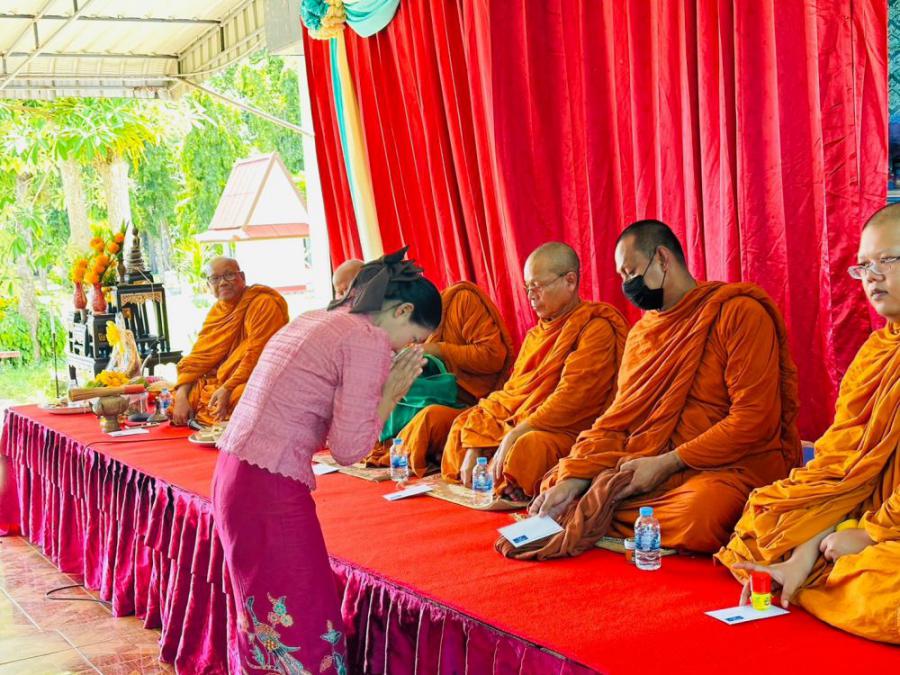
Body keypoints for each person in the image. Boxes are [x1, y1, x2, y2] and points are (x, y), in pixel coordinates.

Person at [213, 247, 441, 672]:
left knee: (268, 613)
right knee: (303, 612)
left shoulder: (316, 317)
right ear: (402, 310)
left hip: (234, 473)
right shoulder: (367, 338)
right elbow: (348, 449)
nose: (406, 349)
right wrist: (391, 391)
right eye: (413, 339)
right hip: (268, 489)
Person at [532, 220, 800, 553]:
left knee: (701, 513)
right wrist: (574, 478)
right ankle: (605, 510)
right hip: (648, 464)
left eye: (631, 272)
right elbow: (618, 421)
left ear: (661, 258)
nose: (627, 286)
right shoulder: (641, 336)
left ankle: (607, 516)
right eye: (622, 277)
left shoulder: (738, 313)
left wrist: (668, 462)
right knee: (559, 484)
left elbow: (754, 418)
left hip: (727, 466)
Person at [716, 205, 900, 645]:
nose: (872, 277)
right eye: (863, 266)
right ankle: (808, 572)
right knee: (762, 525)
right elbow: (840, 472)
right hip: (866, 516)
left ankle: (833, 570)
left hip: (885, 528)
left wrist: (870, 534)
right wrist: (800, 558)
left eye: (887, 260)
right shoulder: (875, 355)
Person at [441, 242, 629, 501]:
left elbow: (572, 400)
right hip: (524, 422)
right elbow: (511, 394)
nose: (531, 296)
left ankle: (509, 478)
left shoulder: (595, 328)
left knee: (528, 448)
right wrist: (477, 439)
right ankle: (501, 475)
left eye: (538, 287)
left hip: (566, 430)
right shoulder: (534, 336)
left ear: (570, 281)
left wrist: (516, 433)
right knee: (464, 426)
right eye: (527, 288)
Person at [365, 280, 515, 476]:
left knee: (428, 418)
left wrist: (438, 350)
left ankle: (405, 454)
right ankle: (406, 450)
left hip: (468, 401)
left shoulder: (462, 302)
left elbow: (493, 357)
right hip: (426, 396)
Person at [171, 257, 288, 427]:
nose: (223, 282)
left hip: (252, 381)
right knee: (176, 397)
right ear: (208, 285)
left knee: (247, 397)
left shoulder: (262, 303)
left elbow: (257, 356)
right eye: (215, 278)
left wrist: (227, 388)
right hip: (220, 382)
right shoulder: (217, 311)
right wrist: (181, 398)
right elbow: (197, 360)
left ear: (242, 277)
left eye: (229, 275)